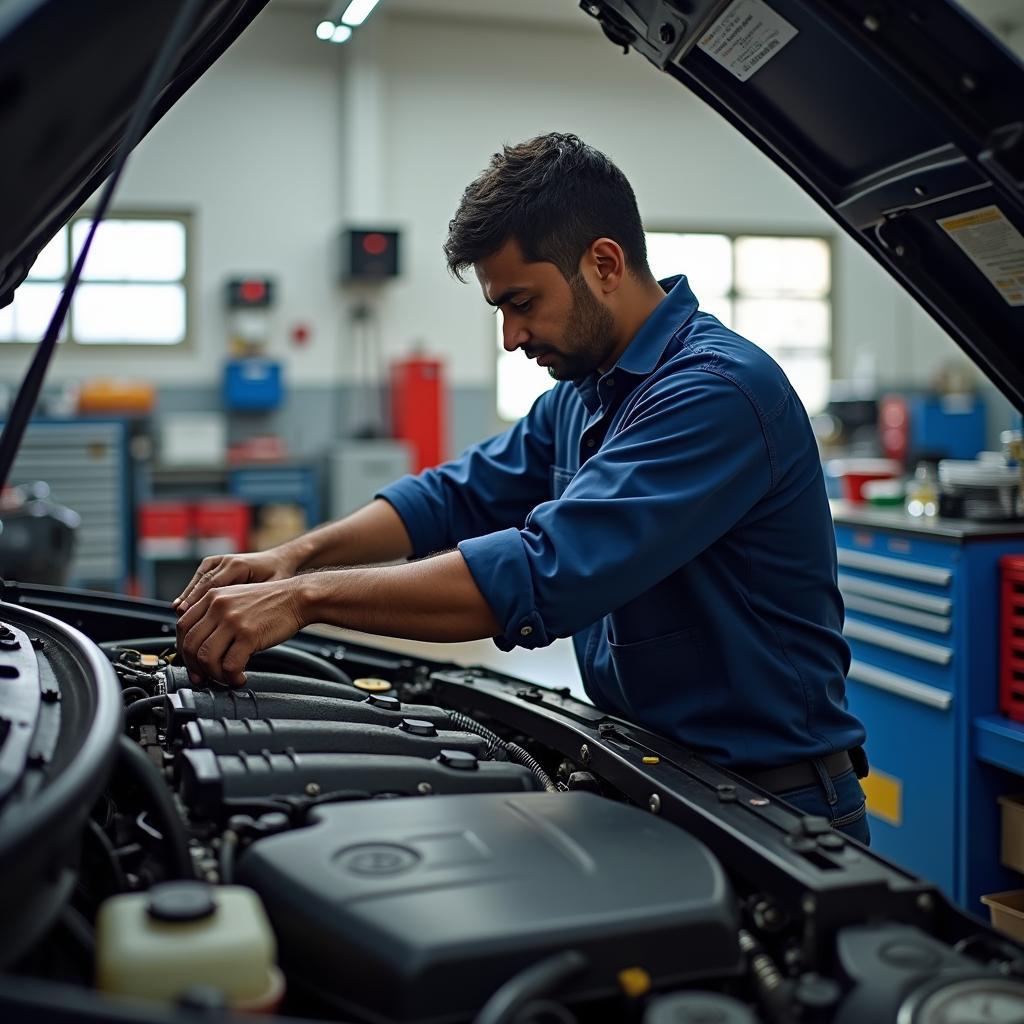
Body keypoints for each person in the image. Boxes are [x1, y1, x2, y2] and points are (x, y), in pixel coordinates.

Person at [175, 133, 869, 842]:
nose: (511, 337)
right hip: (663, 775)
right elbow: (453, 496)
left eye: (523, 302)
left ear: (604, 263)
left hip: (775, 809)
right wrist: (296, 556)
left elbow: (541, 570)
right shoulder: (585, 392)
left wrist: (304, 598)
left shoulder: (713, 393)